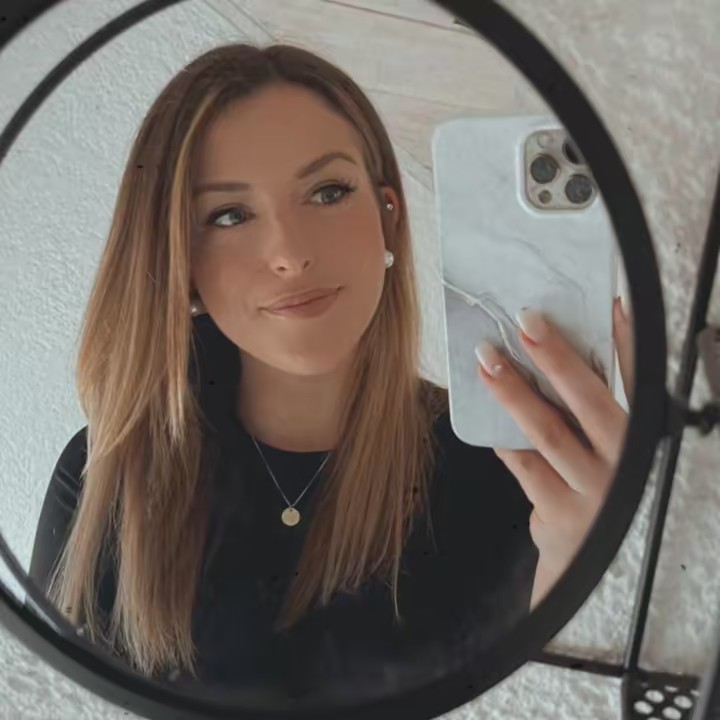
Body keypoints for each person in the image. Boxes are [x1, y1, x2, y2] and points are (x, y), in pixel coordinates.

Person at [27, 43, 633, 703]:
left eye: (327, 192)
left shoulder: (520, 472)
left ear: (388, 218)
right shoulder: (106, 480)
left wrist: (589, 566)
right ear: (183, 261)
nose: (290, 254)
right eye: (229, 215)